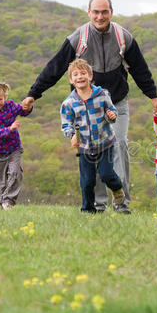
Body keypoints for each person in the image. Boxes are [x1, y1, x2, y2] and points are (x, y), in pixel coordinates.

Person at [22, 0, 157, 213]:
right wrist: (33, 94)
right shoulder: (78, 38)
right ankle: (99, 204)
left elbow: (140, 70)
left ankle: (121, 203)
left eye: (104, 12)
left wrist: (153, 97)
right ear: (89, 13)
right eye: (96, 12)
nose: (100, 16)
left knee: (119, 145)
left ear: (111, 13)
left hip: (116, 104)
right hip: (86, 108)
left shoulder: (123, 37)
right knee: (94, 151)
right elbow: (55, 68)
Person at [61, 59, 126, 214]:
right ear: (71, 80)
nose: (80, 77)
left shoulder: (102, 95)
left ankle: (117, 189)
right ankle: (88, 210)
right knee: (87, 180)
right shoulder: (69, 103)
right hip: (84, 146)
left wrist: (112, 115)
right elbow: (66, 124)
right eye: (75, 75)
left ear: (90, 76)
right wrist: (71, 135)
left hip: (105, 142)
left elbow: (112, 112)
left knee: (106, 174)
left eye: (83, 73)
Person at [0, 76, 32, 210]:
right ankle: (2, 206)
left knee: (16, 173)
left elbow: (23, 111)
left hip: (14, 149)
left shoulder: (11, 106)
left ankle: (8, 201)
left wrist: (28, 106)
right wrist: (10, 129)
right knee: (0, 183)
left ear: (5, 98)